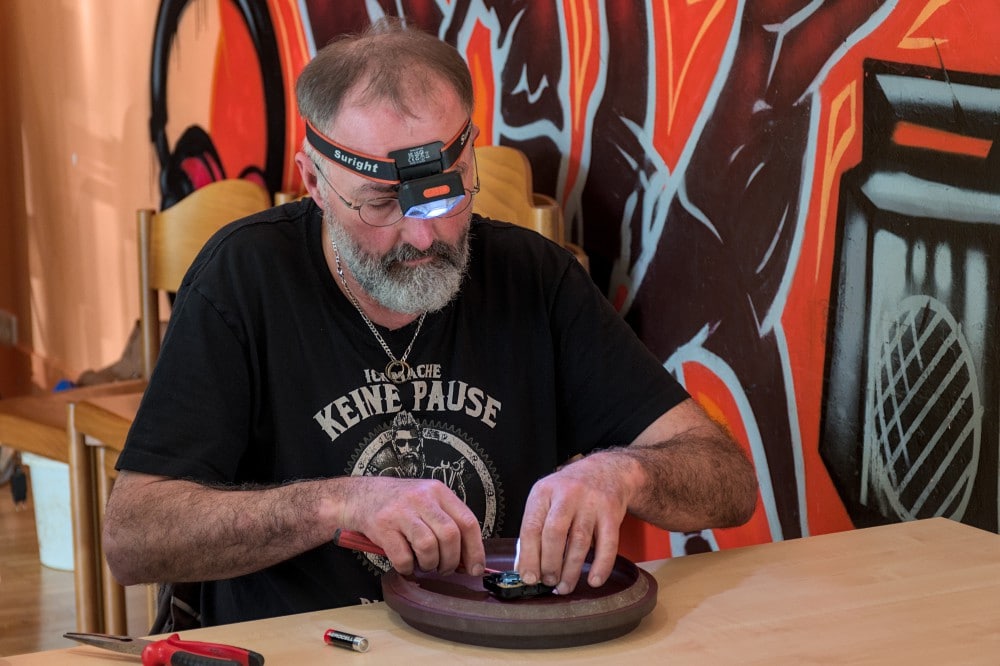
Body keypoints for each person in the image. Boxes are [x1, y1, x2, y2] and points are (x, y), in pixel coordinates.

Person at [103, 17, 758, 627]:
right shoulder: (245, 277)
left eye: (444, 194)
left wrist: (620, 473)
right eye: (381, 203)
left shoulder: (534, 277)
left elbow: (728, 482)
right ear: (314, 183)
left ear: (471, 159)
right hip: (306, 643)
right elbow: (133, 538)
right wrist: (338, 503)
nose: (424, 236)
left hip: (494, 639)